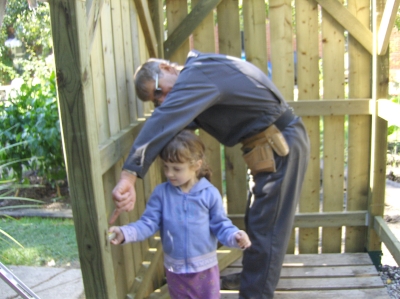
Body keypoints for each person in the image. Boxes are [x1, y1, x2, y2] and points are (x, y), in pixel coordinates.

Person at [110, 50, 310, 299]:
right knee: (258, 221)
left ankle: (255, 293)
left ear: (166, 67)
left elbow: (164, 119)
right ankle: (253, 280)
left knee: (267, 229)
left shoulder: (198, 74)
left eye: (158, 90)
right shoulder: (199, 83)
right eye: (155, 100)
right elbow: (170, 125)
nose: (161, 100)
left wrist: (129, 175)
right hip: (267, 148)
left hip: (280, 145)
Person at [109, 129, 251, 299]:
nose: (169, 173)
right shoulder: (161, 193)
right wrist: (126, 233)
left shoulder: (209, 194)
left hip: (205, 270)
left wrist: (235, 236)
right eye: (166, 167)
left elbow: (221, 225)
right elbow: (148, 223)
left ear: (196, 165)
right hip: (175, 271)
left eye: (176, 168)